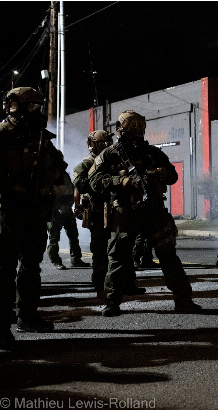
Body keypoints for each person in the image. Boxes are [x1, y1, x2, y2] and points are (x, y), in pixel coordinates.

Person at [89, 110, 201, 316]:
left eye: (138, 129)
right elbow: (95, 181)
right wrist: (120, 181)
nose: (135, 133)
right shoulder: (110, 154)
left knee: (168, 255)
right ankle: (112, 302)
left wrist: (163, 173)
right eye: (131, 128)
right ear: (120, 129)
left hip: (154, 210)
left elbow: (173, 176)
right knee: (118, 257)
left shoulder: (153, 153)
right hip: (126, 211)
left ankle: (183, 300)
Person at [0, 87, 68, 349]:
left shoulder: (41, 138)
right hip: (9, 210)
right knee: (4, 268)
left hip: (35, 210)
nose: (36, 111)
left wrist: (55, 181)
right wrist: (12, 186)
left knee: (31, 266)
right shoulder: (3, 134)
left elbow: (58, 168)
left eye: (38, 107)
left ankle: (26, 316)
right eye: (31, 106)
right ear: (15, 106)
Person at [73, 130, 145, 297]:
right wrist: (107, 180)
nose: (107, 145)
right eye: (102, 143)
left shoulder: (115, 159)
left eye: (108, 142)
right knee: (100, 251)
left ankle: (127, 283)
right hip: (98, 213)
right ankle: (101, 286)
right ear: (93, 145)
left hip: (117, 210)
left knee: (123, 248)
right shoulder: (87, 163)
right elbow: (81, 184)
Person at [46, 170, 90, 270]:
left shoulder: (64, 174)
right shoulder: (49, 174)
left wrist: (69, 204)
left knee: (73, 234)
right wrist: (58, 206)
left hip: (67, 209)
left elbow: (71, 190)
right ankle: (56, 260)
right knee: (54, 238)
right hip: (55, 211)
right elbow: (49, 195)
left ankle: (76, 259)